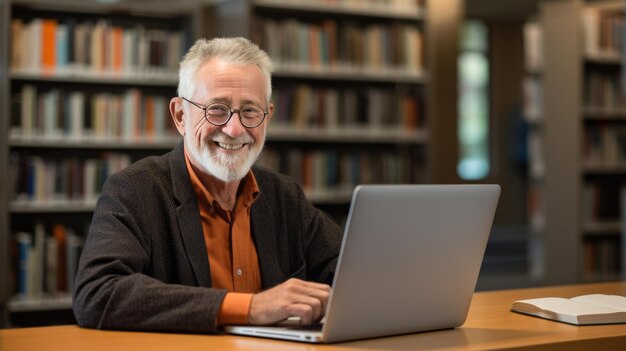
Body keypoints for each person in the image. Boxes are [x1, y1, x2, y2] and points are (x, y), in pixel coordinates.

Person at [72, 37, 343, 333]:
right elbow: (97, 293)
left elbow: (351, 271)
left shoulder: (284, 196)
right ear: (180, 116)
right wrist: (251, 308)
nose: (235, 129)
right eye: (217, 109)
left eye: (250, 111)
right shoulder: (136, 190)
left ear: (268, 118)